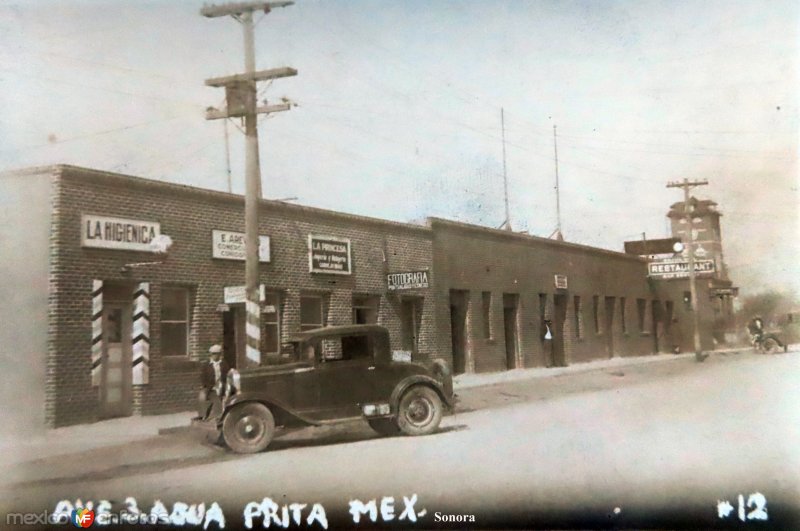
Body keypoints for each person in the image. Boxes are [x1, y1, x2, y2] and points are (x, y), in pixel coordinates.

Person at [200, 344, 229, 420]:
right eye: (213, 354)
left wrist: (224, 386)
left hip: (221, 386)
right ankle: (204, 415)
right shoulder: (207, 365)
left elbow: (227, 376)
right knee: (202, 398)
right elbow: (203, 377)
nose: (215, 356)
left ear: (220, 354)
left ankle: (217, 416)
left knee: (218, 400)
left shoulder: (223, 364)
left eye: (217, 354)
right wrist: (206, 386)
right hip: (210, 387)